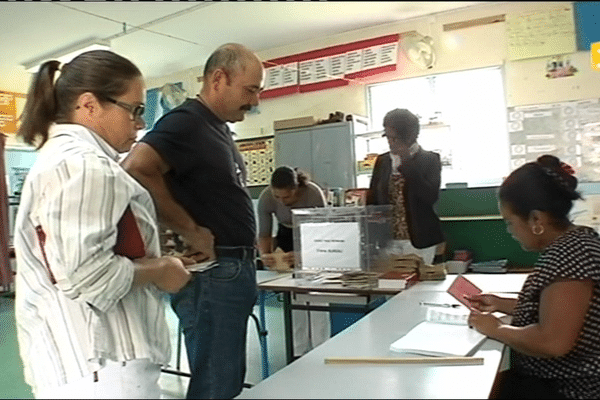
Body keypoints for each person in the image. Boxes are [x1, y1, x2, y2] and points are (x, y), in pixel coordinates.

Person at [13, 50, 193, 399]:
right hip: (104, 366)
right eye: (135, 110)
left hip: (86, 364)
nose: (141, 124)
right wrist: (161, 269)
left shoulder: (63, 160)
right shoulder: (85, 166)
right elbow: (86, 275)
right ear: (89, 105)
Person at [121, 43, 264, 399]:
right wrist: (189, 228)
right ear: (219, 78)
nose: (255, 100)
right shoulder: (186, 122)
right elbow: (137, 169)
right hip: (214, 275)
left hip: (232, 269)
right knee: (216, 382)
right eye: (250, 89)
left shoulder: (216, 129)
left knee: (225, 378)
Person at [466, 155, 600, 399]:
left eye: (510, 223)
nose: (510, 232)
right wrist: (502, 303)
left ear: (536, 219)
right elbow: (560, 310)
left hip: (567, 389)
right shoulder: (573, 243)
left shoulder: (570, 256)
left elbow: (553, 342)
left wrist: (496, 328)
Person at [257, 166, 331, 356]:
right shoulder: (267, 197)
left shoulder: (313, 193)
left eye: (287, 197)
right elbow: (264, 234)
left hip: (312, 233)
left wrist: (305, 254)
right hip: (286, 234)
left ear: (297, 189)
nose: (282, 201)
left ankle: (321, 348)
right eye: (278, 198)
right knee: (294, 295)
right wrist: (266, 255)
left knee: (316, 295)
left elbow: (324, 233)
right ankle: (298, 351)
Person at [366, 108, 444, 264]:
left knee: (419, 286)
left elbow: (430, 197)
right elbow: (373, 198)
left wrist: (406, 162)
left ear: (409, 137)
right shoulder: (383, 161)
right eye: (387, 137)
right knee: (390, 285)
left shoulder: (430, 159)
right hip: (387, 242)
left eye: (394, 138)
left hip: (419, 240)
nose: (390, 142)